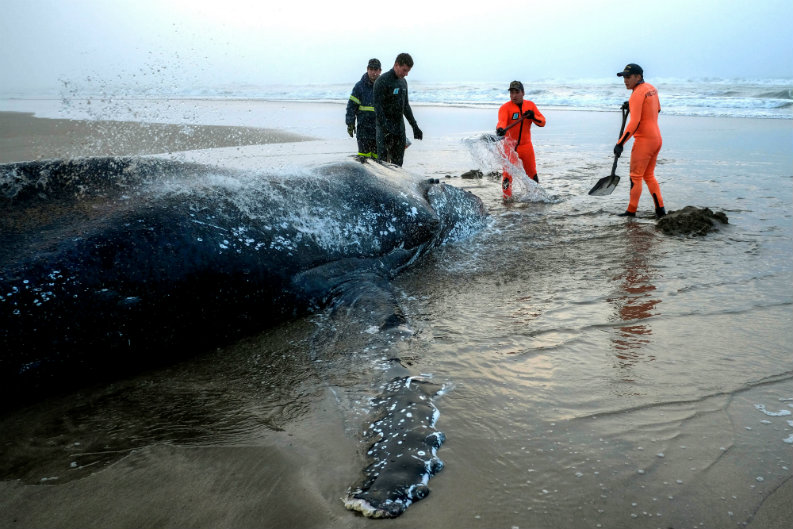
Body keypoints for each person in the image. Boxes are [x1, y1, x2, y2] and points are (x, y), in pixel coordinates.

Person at [614, 63, 666, 218]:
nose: (625, 80)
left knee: (635, 177)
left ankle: (631, 212)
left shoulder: (637, 94)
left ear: (638, 77)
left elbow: (634, 123)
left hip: (644, 141)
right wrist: (632, 105)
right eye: (624, 77)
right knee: (649, 175)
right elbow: (657, 109)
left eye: (628, 77)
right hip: (656, 139)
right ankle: (660, 210)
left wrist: (620, 143)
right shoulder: (651, 89)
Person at [496, 81, 546, 198]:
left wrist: (533, 115)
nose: (514, 95)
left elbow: (542, 122)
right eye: (511, 93)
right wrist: (500, 129)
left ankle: (535, 197)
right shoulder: (505, 108)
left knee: (532, 174)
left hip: (526, 146)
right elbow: (501, 122)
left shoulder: (530, 105)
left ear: (523, 93)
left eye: (517, 92)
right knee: (508, 175)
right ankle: (507, 200)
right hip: (509, 147)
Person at [373, 53, 422, 166]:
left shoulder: (403, 82)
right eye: (404, 70)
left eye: (408, 71)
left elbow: (406, 106)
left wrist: (415, 126)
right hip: (384, 129)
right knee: (383, 165)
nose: (406, 74)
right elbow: (378, 108)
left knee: (398, 164)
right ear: (396, 65)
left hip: (399, 128)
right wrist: (386, 130)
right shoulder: (381, 81)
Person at [345, 58, 382, 158]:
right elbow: (351, 107)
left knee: (377, 161)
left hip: (379, 131)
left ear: (380, 71)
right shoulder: (359, 86)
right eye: (371, 69)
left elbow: (391, 109)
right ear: (367, 69)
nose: (373, 72)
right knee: (363, 160)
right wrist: (350, 123)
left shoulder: (384, 87)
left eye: (376, 69)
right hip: (363, 131)